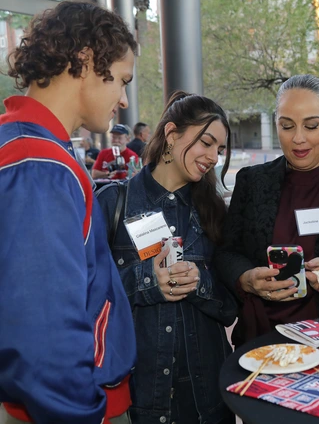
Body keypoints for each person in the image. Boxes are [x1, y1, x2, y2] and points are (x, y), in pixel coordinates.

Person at [0, 1, 137, 423]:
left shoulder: (25, 146)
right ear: (87, 60)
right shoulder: (39, 164)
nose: (124, 99)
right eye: (122, 80)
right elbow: (44, 337)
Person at [96, 91, 237, 424]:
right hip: (139, 400)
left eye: (220, 149)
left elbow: (230, 307)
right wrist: (146, 280)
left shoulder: (214, 212)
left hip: (208, 402)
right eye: (206, 143)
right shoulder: (113, 203)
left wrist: (200, 282)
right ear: (172, 135)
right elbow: (86, 296)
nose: (214, 156)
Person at [215, 74, 319, 347]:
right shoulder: (252, 181)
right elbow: (226, 252)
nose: (298, 139)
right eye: (287, 126)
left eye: (312, 125)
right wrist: (246, 279)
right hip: (260, 336)